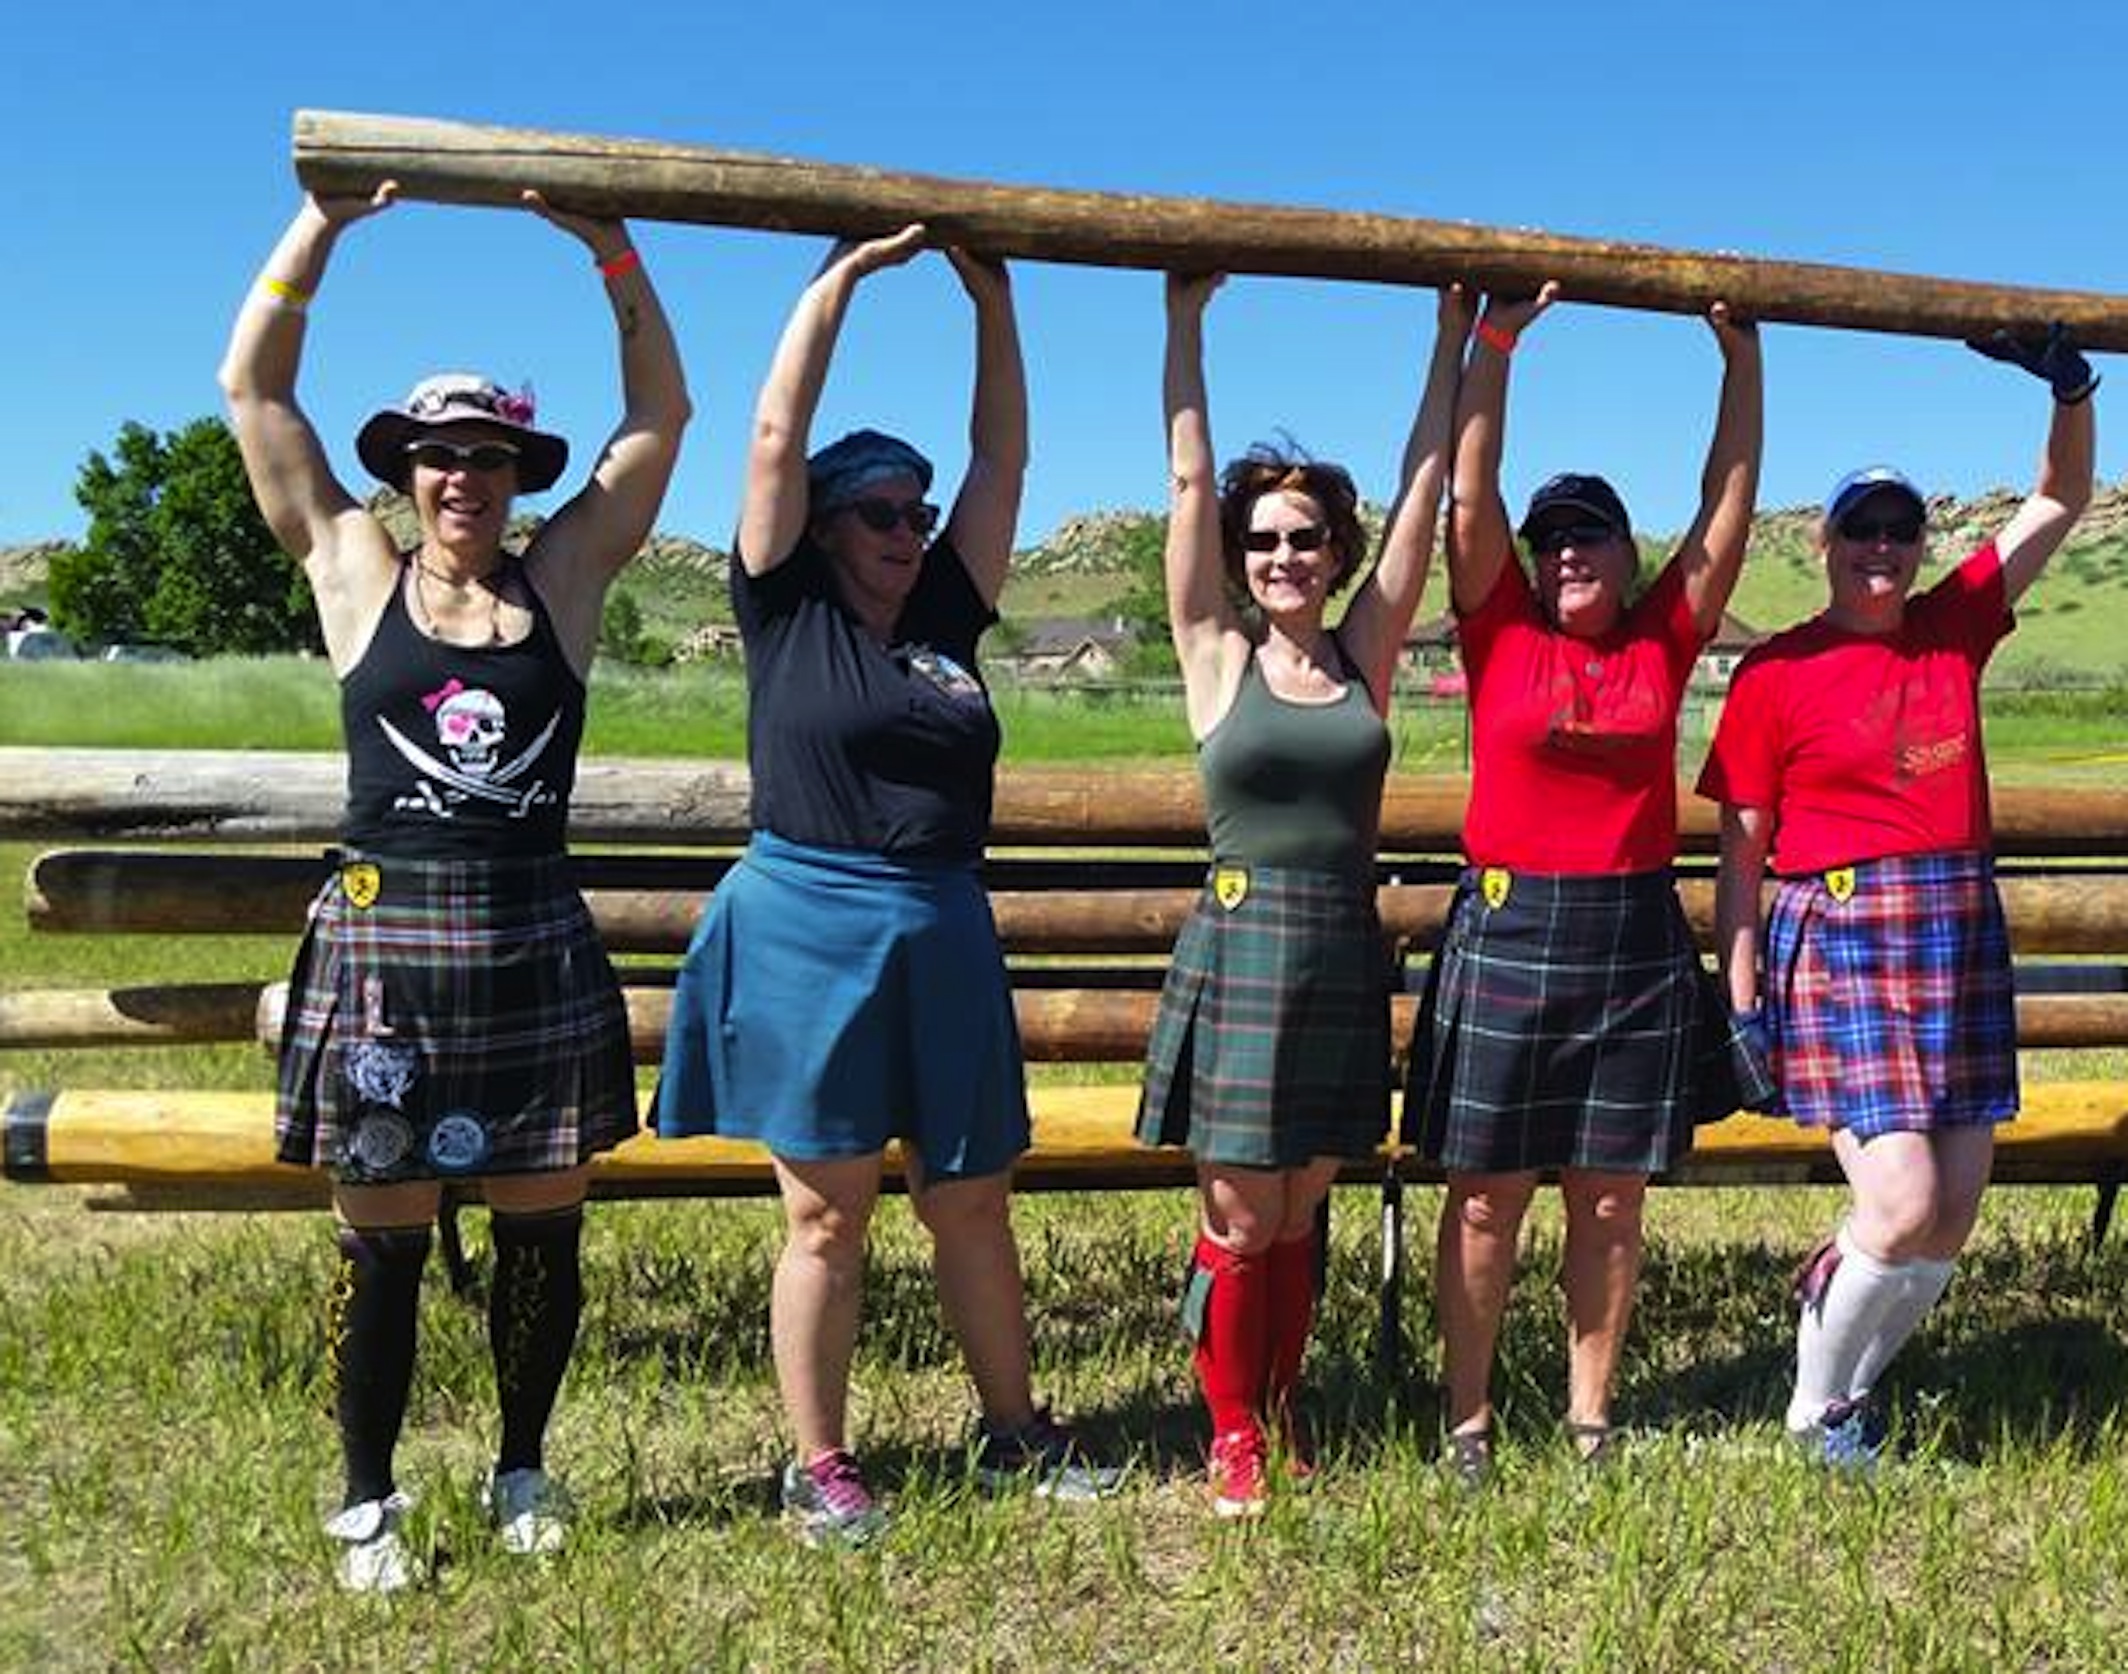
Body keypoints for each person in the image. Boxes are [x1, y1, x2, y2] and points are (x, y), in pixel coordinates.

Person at [219, 181, 690, 1590]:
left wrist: (612, 251)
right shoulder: (353, 568)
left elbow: (661, 417)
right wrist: (318, 227)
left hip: (530, 936)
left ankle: (522, 1467)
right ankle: (366, 1501)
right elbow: (255, 385)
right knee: (388, 1249)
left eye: (487, 456)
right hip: (385, 950)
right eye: (437, 456)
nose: (462, 478)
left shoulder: (569, 575)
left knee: (548, 1225)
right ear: (406, 471)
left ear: (516, 471)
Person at [654, 226, 1118, 1549]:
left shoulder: (942, 623)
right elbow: (766, 432)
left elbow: (1006, 458)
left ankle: (1014, 1424)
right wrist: (839, 282)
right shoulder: (779, 604)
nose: (908, 532)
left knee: (971, 1188)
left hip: (940, 924)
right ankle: (822, 1459)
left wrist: (995, 300)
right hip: (807, 922)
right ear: (822, 521)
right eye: (879, 513)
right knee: (825, 1212)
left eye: (917, 512)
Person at [1699, 326, 2098, 1467]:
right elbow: (1739, 856)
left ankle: (1854, 1388)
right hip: (1838, 932)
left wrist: (2068, 385)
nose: (1881, 547)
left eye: (1899, 528)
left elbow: (2060, 497)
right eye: (1860, 529)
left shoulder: (1954, 624)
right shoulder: (1774, 671)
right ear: (1822, 543)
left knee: (1952, 1211)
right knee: (1900, 1199)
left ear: (1920, 545)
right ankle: (1812, 1412)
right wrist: (1741, 1003)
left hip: (1953, 926)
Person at [1403, 285, 1764, 1483]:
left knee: (1610, 1201)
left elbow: (1726, 509)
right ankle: (1467, 1421)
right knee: (1488, 1197)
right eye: (1551, 534)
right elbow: (1472, 491)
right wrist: (1494, 345)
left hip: (1630, 934)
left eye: (1589, 534)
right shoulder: (1497, 623)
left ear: (1625, 553)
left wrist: (1738, 361)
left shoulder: (1662, 635)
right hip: (1510, 927)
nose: (1565, 550)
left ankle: (1590, 1415)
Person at [1137, 274, 1472, 1516]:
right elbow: (1185, 485)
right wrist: (1184, 324)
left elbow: (1426, 496)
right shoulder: (1214, 655)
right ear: (1241, 558)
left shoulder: (1362, 651)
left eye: (1306, 538)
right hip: (1241, 942)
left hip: (1337, 944)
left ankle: (1282, 1413)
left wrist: (1456, 341)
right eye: (1263, 540)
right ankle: (1230, 1434)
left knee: (1299, 1205)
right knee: (1237, 1207)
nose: (1283, 556)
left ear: (1335, 553)